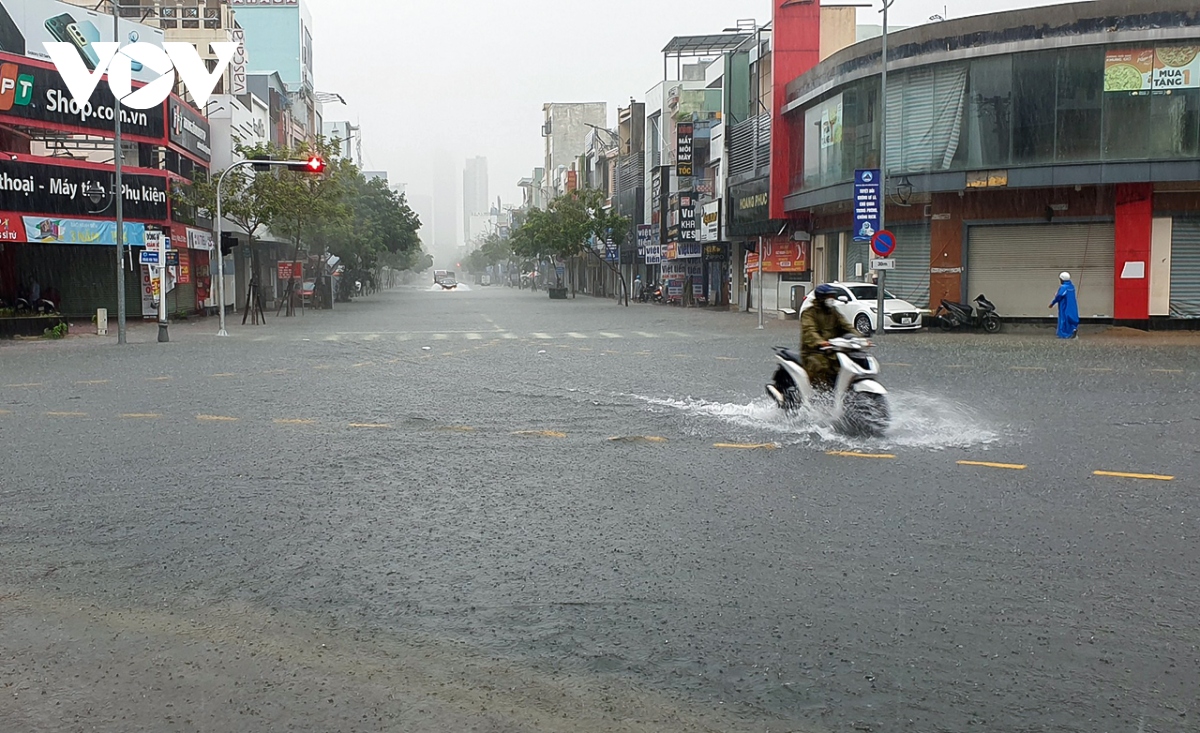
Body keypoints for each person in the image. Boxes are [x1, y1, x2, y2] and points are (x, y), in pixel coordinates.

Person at [801, 283, 861, 391]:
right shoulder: (809, 313)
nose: (832, 299)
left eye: (832, 296)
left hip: (833, 349)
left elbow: (845, 325)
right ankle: (820, 393)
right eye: (829, 297)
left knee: (851, 363)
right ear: (821, 298)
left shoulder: (833, 312)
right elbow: (810, 330)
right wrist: (821, 342)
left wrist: (860, 338)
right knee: (821, 366)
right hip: (814, 351)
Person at [1050, 271, 1079, 339]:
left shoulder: (1063, 287)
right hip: (1072, 305)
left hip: (1064, 305)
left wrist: (1053, 303)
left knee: (1063, 319)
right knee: (1071, 317)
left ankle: (1064, 334)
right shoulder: (1072, 286)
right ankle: (1073, 330)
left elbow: (1059, 296)